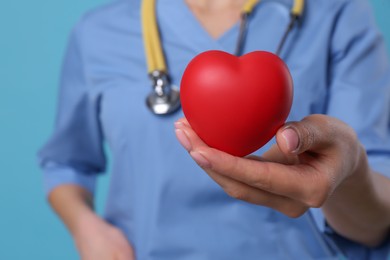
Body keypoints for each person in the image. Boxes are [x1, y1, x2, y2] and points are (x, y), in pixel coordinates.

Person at [38, 0, 390, 259]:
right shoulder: (98, 32)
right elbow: (66, 163)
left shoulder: (338, 14)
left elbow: (376, 219)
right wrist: (86, 227)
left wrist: (350, 173)